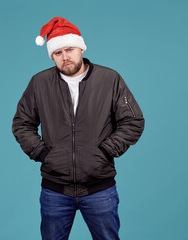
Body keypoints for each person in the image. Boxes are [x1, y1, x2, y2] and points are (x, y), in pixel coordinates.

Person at [12, 16, 145, 240]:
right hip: (55, 190)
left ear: (81, 48)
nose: (65, 57)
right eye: (58, 52)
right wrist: (44, 153)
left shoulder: (109, 79)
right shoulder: (39, 83)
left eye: (70, 49)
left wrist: (105, 151)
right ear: (52, 56)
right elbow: (22, 123)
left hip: (100, 189)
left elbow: (133, 121)